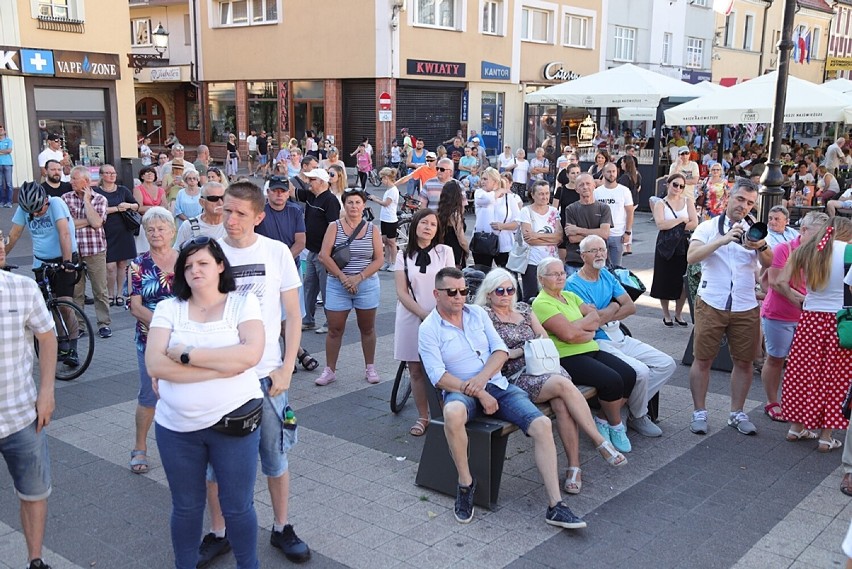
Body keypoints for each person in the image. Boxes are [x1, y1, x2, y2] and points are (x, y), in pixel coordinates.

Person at [419, 266, 587, 529]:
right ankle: (466, 484)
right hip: (459, 390)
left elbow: (500, 352)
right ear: (436, 294)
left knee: (542, 425)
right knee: (452, 413)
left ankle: (556, 505)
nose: (458, 297)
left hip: (495, 385)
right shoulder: (429, 328)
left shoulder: (477, 315)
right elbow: (438, 377)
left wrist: (482, 383)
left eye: (463, 291)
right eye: (451, 292)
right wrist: (477, 391)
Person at [202, 181, 308, 565]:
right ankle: (218, 532)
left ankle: (282, 528)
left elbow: (293, 315)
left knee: (275, 457)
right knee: (216, 464)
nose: (229, 219)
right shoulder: (206, 251)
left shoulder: (277, 253)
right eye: (225, 210)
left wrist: (287, 366)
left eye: (239, 213)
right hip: (220, 377)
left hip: (267, 377)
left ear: (259, 217)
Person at [145, 236, 265, 569]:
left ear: (220, 266)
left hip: (234, 424)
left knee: (238, 506)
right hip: (176, 428)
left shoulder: (243, 304)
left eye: (202, 263)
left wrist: (187, 355)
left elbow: (250, 354)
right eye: (187, 265)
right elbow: (155, 364)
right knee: (186, 507)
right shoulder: (169, 308)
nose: (194, 270)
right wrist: (224, 368)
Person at [476, 268, 627, 494]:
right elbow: (497, 354)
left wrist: (519, 350)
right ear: (489, 293)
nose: (506, 294)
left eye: (510, 289)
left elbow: (544, 338)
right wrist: (522, 350)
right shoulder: (484, 316)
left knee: (562, 403)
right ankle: (600, 442)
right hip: (514, 376)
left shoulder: (524, 310)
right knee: (563, 385)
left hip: (543, 366)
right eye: (500, 291)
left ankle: (574, 467)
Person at [686, 178, 773, 436]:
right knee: (703, 359)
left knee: (745, 362)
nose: (743, 206)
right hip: (712, 301)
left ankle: (737, 412)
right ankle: (699, 412)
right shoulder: (708, 227)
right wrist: (722, 240)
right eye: (740, 199)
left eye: (749, 203)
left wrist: (761, 245)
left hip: (745, 305)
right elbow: (692, 257)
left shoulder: (756, 231)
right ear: (729, 196)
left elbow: (770, 262)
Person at [566, 236, 676, 438]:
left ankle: (625, 407)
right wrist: (615, 305)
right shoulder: (573, 285)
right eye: (593, 251)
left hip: (620, 335)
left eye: (602, 249)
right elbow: (595, 322)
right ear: (582, 256)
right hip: (598, 341)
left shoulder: (606, 275)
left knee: (666, 363)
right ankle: (640, 415)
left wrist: (607, 311)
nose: (600, 253)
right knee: (640, 372)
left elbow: (631, 306)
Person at [532, 257, 636, 453]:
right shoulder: (542, 303)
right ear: (541, 279)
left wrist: (577, 329)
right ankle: (616, 425)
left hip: (590, 348)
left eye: (562, 272)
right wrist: (581, 330)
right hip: (567, 357)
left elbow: (595, 319)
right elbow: (568, 335)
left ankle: (603, 420)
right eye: (554, 274)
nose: (560, 277)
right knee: (612, 380)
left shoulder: (570, 296)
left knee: (629, 374)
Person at [0, 228, 58, 569]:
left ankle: (35, 560)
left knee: (34, 493)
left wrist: (46, 391)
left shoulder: (22, 289)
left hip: (21, 414)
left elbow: (47, 338)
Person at [776, 217, 852, 454]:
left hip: (809, 321)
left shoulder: (806, 249)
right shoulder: (849, 251)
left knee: (803, 372)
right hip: (838, 322)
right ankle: (826, 437)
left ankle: (796, 427)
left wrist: (800, 300)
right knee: (834, 377)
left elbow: (779, 281)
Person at [760, 211, 827, 423]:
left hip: (808, 316)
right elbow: (776, 282)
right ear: (804, 231)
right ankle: (772, 401)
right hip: (780, 314)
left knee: (804, 363)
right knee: (776, 358)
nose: (822, 241)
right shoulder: (784, 248)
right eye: (819, 236)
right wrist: (806, 302)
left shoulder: (821, 252)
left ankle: (797, 404)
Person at [394, 209, 455, 436]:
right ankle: (423, 416)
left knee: (443, 367)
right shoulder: (403, 255)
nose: (428, 227)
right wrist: (422, 313)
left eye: (433, 224)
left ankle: (446, 413)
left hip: (441, 315)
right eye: (424, 223)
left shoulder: (444, 252)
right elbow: (401, 292)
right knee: (416, 369)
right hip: (411, 316)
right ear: (415, 226)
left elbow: (452, 285)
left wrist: (438, 313)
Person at [128, 207, 178, 475]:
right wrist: (163, 329)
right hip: (150, 340)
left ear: (172, 231)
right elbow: (135, 306)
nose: (156, 233)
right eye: (151, 230)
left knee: (183, 394)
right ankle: (140, 446)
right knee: (150, 394)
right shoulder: (137, 264)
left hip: (183, 340)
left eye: (161, 229)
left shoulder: (185, 260)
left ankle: (183, 449)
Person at [315, 189, 383, 385]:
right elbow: (324, 255)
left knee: (367, 328)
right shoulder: (334, 227)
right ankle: (329, 370)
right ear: (344, 205)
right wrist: (344, 278)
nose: (354, 206)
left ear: (364, 206)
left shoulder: (372, 229)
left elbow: (379, 259)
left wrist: (358, 278)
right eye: (350, 203)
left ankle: (370, 367)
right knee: (335, 329)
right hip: (338, 284)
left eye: (357, 203)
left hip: (367, 284)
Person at [254, 175, 317, 374]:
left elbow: (300, 242)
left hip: (290, 268)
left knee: (291, 314)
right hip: (264, 272)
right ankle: (296, 353)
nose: (279, 194)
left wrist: (282, 260)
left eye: (283, 191)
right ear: (268, 192)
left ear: (288, 193)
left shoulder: (295, 211)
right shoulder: (260, 213)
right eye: (275, 191)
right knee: (273, 313)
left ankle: (290, 354)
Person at [295, 168, 339, 335]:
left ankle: (331, 322)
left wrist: (326, 252)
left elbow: (333, 227)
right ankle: (308, 319)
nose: (309, 182)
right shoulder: (311, 195)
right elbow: (293, 191)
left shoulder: (330, 200)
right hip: (312, 250)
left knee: (326, 287)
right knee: (309, 286)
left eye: (312, 180)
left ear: (321, 182)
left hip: (323, 253)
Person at [650, 173, 699, 326]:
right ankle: (666, 314)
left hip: (683, 243)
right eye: (675, 184)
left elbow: (694, 223)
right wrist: (681, 221)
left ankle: (678, 313)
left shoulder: (687, 201)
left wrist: (675, 224)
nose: (678, 188)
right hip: (665, 244)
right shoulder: (660, 204)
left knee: (683, 279)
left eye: (681, 186)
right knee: (663, 278)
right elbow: (661, 224)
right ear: (668, 184)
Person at [93, 163, 138, 307]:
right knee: (110, 266)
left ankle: (119, 294)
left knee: (122, 264)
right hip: (106, 231)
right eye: (108, 173)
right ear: (101, 175)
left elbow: (136, 205)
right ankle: (109, 293)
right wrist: (117, 208)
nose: (112, 175)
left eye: (113, 173)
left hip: (124, 230)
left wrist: (128, 206)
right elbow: (96, 211)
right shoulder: (96, 191)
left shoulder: (123, 190)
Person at [516, 180, 561, 300]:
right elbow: (529, 239)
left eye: (547, 193)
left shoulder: (554, 211)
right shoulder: (526, 211)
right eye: (541, 194)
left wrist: (536, 235)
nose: (545, 197)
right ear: (533, 194)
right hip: (532, 261)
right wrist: (551, 238)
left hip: (551, 261)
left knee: (551, 295)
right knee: (531, 296)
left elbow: (559, 237)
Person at [563, 174, 612, 274]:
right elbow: (572, 238)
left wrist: (578, 230)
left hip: (599, 260)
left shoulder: (604, 208)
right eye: (581, 185)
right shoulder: (570, 209)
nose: (585, 187)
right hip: (575, 261)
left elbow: (605, 234)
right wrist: (597, 237)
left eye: (588, 184)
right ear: (576, 189)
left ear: (594, 186)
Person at [472, 167, 519, 268]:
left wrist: (503, 226)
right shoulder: (479, 193)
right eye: (482, 179)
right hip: (482, 242)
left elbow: (517, 222)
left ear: (495, 181)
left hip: (504, 243)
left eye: (486, 179)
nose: (482, 181)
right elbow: (488, 199)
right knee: (482, 275)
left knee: (506, 275)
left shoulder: (509, 198)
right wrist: (501, 190)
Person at [593, 163, 633, 267]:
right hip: (601, 235)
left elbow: (630, 212)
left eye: (614, 171)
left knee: (617, 268)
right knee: (600, 267)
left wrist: (628, 232)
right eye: (609, 171)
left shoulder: (624, 191)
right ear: (603, 173)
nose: (612, 174)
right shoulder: (597, 192)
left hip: (618, 235)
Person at [366, 167, 400, 271]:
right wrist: (375, 198)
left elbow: (386, 203)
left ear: (386, 178)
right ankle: (387, 261)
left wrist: (375, 200)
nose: (381, 181)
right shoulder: (388, 190)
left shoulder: (393, 190)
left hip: (390, 219)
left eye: (381, 179)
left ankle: (394, 262)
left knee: (391, 242)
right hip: (384, 218)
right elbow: (384, 201)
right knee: (385, 241)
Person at [173, 182, 227, 246]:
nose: (220, 203)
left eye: (223, 198)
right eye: (213, 198)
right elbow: (177, 252)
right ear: (202, 202)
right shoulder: (188, 226)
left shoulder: (234, 224)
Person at [133, 166, 167, 255]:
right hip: (145, 222)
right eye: (147, 173)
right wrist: (156, 208)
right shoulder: (138, 189)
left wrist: (149, 208)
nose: (150, 175)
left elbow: (165, 206)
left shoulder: (160, 190)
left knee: (160, 250)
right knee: (145, 252)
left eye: (152, 173)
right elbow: (139, 208)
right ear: (142, 176)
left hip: (160, 222)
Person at [437, 180, 469, 268]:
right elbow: (461, 239)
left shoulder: (440, 212)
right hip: (455, 253)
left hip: (442, 251)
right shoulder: (455, 215)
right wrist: (467, 250)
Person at [0, 124, 13, 208]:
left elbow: (9, 150)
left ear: (4, 131)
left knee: (8, 183)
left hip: (8, 164)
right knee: (0, 184)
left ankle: (9, 202)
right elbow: (6, 151)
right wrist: (3, 151)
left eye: (1, 129)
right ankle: (2, 201)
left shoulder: (9, 140)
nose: (0, 130)